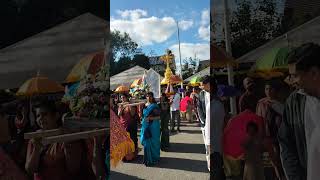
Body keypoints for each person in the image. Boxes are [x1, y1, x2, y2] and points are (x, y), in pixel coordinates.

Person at [25, 101, 104, 180]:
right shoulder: (35, 139)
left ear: (56, 116)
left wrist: (68, 147)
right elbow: (30, 170)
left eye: (45, 114)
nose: (40, 118)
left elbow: (73, 169)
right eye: (38, 116)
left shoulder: (67, 137)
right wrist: (36, 149)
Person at [278, 43, 320, 180]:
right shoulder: (293, 103)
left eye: (295, 76)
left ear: (314, 73)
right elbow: (286, 145)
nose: (291, 81)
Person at [256, 82, 285, 179]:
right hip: (265, 136)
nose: (268, 91)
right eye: (266, 89)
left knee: (278, 161)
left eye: (271, 89)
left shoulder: (279, 104)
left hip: (277, 137)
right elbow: (258, 119)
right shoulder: (261, 103)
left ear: (275, 91)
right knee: (269, 163)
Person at [0, 106, 28, 180]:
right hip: (10, 146)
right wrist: (24, 114)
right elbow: (22, 124)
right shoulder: (10, 118)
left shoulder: (10, 118)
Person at [210, 78, 226, 179]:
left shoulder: (216, 105)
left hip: (215, 146)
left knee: (216, 171)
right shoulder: (217, 104)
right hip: (215, 145)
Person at [140, 92, 161, 166]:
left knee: (154, 142)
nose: (149, 98)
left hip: (154, 127)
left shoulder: (155, 106)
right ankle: (147, 159)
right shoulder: (144, 105)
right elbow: (142, 116)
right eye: (147, 96)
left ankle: (154, 158)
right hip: (145, 126)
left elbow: (159, 117)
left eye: (150, 96)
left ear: (152, 97)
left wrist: (150, 118)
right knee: (146, 141)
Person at [197, 75, 210, 171]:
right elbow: (199, 108)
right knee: (207, 146)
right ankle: (210, 166)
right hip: (205, 124)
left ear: (208, 84)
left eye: (202, 85)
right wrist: (204, 121)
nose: (201, 87)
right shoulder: (201, 94)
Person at [118, 94, 138, 158]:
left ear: (127, 98)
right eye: (121, 98)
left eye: (123, 97)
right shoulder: (121, 105)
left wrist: (130, 105)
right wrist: (121, 107)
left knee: (131, 140)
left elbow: (132, 114)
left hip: (130, 125)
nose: (122, 99)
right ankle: (125, 156)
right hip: (123, 125)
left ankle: (132, 156)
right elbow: (119, 114)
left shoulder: (130, 105)